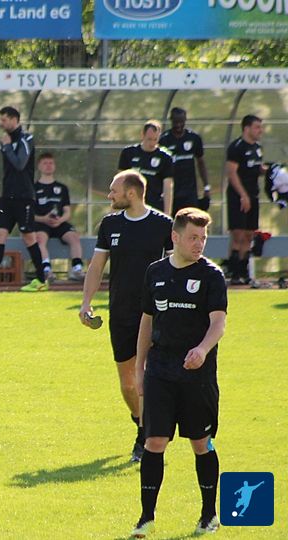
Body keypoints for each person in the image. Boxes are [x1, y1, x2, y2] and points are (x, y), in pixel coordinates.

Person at [131, 207, 226, 538]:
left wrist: (202, 349)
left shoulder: (211, 275)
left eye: (203, 238)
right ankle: (146, 519)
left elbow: (218, 323)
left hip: (197, 374)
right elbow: (146, 321)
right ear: (175, 237)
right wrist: (139, 368)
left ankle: (209, 515)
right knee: (154, 441)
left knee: (201, 442)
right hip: (160, 370)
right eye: (193, 237)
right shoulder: (155, 272)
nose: (199, 244)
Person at [79, 170, 173, 463]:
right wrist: (86, 303)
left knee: (148, 377)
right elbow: (96, 266)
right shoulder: (110, 224)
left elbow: (177, 266)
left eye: (113, 190)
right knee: (128, 383)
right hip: (120, 313)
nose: (110, 195)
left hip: (154, 314)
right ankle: (140, 421)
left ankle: (145, 436)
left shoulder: (163, 225)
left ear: (131, 193)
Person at [0, 106, 48, 292]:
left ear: (14, 119)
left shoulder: (26, 139)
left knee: (29, 237)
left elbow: (20, 164)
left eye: (4, 120)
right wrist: (5, 146)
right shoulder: (7, 140)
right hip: (8, 198)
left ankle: (41, 280)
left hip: (24, 198)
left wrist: (6, 147)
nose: (1, 123)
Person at [31, 153, 85, 281]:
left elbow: (67, 211)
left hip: (59, 222)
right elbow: (29, 214)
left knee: (74, 237)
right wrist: (44, 219)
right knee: (39, 239)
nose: (48, 166)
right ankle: (46, 269)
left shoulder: (62, 188)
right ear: (39, 166)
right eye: (45, 163)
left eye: (51, 163)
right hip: (41, 222)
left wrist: (60, 220)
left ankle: (77, 268)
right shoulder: (33, 188)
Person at [225, 114, 265, 285]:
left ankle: (244, 272)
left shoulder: (257, 147)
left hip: (253, 195)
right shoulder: (236, 147)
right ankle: (234, 273)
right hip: (238, 197)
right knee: (238, 234)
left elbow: (257, 168)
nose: (260, 130)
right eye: (257, 127)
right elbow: (232, 173)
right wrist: (243, 195)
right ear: (246, 128)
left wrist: (271, 171)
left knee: (249, 235)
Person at [159, 107, 211, 215]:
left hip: (190, 193)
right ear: (171, 120)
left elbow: (201, 162)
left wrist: (206, 187)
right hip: (171, 192)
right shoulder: (164, 140)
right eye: (176, 122)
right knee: (171, 221)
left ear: (185, 120)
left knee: (191, 219)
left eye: (181, 122)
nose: (178, 125)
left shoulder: (194, 138)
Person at [119, 120, 175, 213]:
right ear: (142, 135)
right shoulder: (128, 153)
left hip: (155, 206)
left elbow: (168, 187)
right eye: (149, 139)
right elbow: (120, 182)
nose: (152, 143)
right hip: (132, 205)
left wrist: (167, 214)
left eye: (155, 139)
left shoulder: (165, 157)